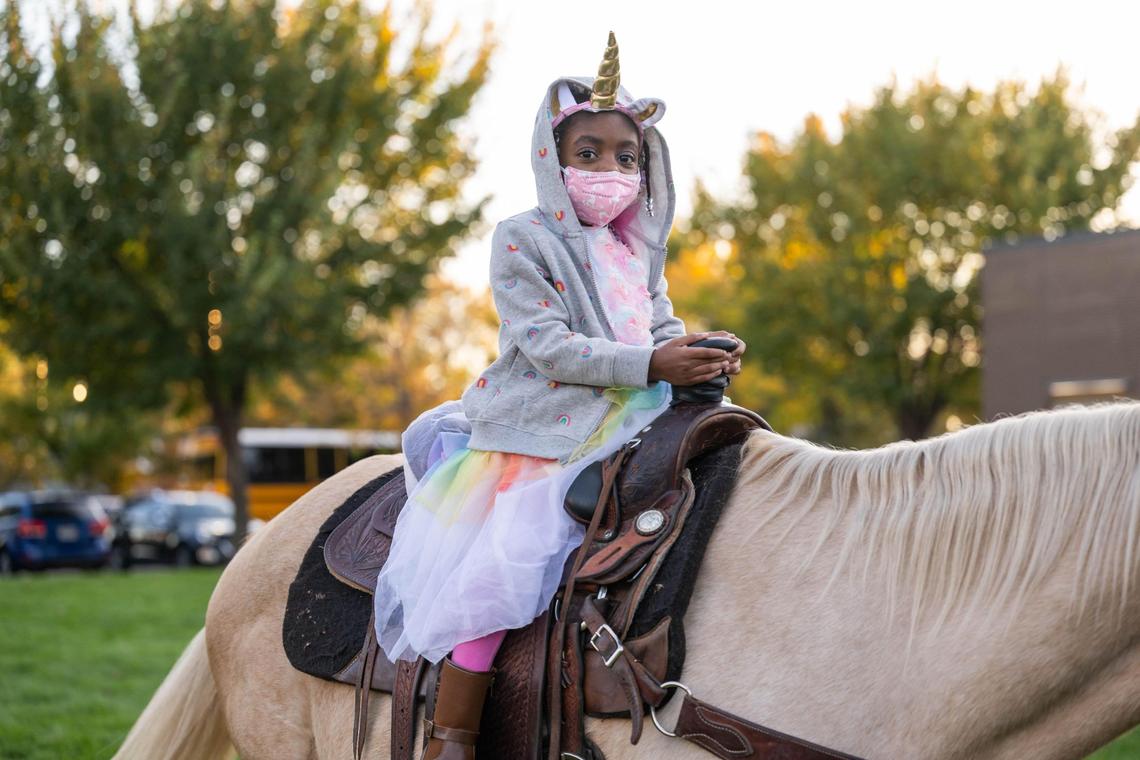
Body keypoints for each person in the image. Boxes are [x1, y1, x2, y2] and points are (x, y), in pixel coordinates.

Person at [373, 33, 746, 760]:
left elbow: (657, 323)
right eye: (590, 154)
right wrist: (652, 361)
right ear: (554, 159)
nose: (612, 171)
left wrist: (697, 353)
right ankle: (452, 736)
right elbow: (546, 345)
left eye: (628, 158)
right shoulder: (522, 239)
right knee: (501, 576)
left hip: (635, 414)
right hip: (544, 428)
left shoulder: (637, 251)